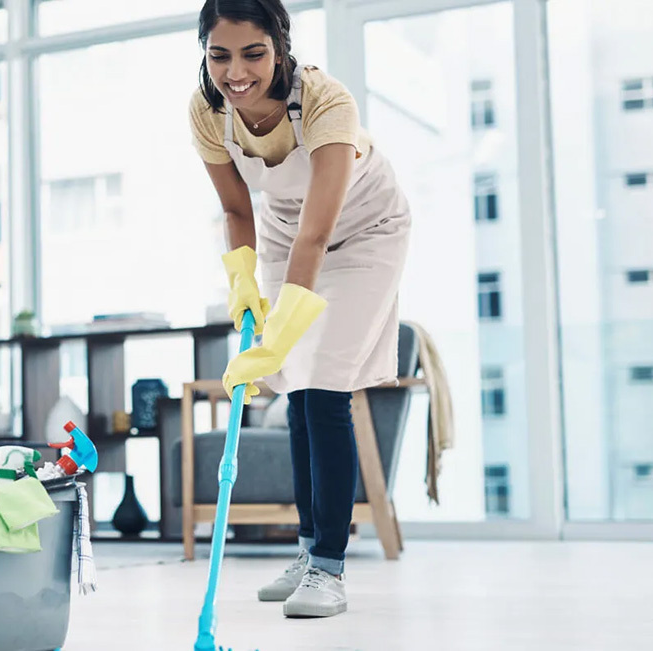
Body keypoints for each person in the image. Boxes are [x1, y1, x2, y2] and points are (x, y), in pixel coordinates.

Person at [189, 0, 412, 619]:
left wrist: (280, 334)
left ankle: (330, 570)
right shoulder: (208, 111)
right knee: (296, 389)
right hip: (288, 232)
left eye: (253, 54)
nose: (236, 72)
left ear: (280, 48)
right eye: (220, 55)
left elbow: (321, 235)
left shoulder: (325, 101)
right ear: (205, 54)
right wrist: (241, 285)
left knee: (323, 382)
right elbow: (238, 212)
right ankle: (310, 549)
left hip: (364, 234)